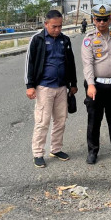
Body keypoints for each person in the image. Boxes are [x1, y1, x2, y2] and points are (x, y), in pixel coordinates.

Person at [25, 10, 78, 168]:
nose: (57, 29)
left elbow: (71, 63)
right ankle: (38, 153)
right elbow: (30, 63)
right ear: (46, 24)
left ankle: (56, 149)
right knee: (42, 122)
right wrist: (30, 86)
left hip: (61, 87)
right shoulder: (37, 40)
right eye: (54, 26)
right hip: (44, 87)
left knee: (61, 120)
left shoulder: (65, 40)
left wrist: (73, 84)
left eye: (60, 26)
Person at [81, 4, 111, 164]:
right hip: (96, 86)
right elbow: (87, 64)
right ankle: (93, 152)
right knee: (94, 120)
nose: (101, 22)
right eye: (98, 19)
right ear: (93, 20)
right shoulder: (89, 39)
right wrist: (90, 84)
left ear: (110, 19)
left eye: (104, 19)